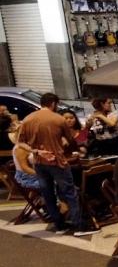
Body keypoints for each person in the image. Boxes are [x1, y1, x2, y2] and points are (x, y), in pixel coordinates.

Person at [18, 93, 98, 236]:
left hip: (39, 162)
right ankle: (79, 226)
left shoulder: (27, 119)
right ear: (53, 103)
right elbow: (71, 141)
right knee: (70, 193)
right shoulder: (58, 119)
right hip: (57, 161)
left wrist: (36, 150)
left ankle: (59, 226)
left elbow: (20, 142)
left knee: (48, 194)